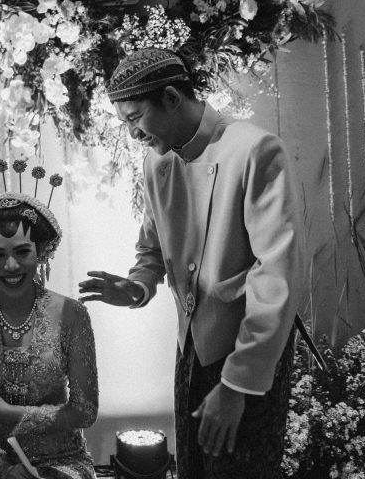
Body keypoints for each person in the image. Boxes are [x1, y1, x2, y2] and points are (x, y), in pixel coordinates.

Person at [79, 48, 305, 478]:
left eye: (134, 118)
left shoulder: (255, 149)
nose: (132, 134)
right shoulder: (156, 161)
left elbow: (278, 276)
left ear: (170, 97)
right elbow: (151, 249)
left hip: (247, 350)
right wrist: (136, 286)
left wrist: (237, 385)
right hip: (190, 352)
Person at [0, 171, 98, 479]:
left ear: (40, 252)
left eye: (22, 252)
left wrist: (7, 413)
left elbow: (85, 412)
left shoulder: (72, 314)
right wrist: (2, 468)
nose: (11, 265)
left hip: (61, 459)